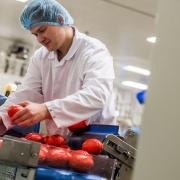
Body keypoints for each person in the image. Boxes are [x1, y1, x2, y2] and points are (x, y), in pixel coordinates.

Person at [0, 0, 115, 136]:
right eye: (35, 34)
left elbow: (96, 95)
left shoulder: (94, 51)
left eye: (42, 30)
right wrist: (2, 118)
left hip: (95, 138)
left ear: (60, 20)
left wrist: (46, 110)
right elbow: (27, 92)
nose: (40, 39)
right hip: (58, 140)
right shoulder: (40, 57)